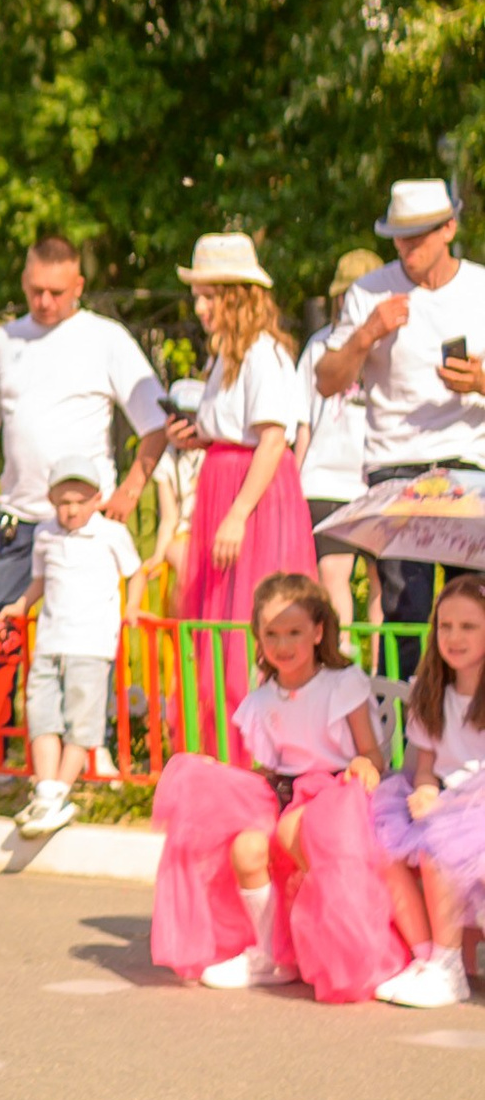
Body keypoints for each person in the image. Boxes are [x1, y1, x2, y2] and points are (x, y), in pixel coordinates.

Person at [149, 572, 398, 1000]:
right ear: (258, 637)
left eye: (295, 632)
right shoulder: (264, 698)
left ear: (319, 631)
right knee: (244, 846)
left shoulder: (343, 683)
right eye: (272, 634)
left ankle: (328, 943)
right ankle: (271, 954)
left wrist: (364, 764)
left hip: (335, 791)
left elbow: (371, 755)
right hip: (283, 791)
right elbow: (273, 767)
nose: (283, 645)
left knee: (296, 833)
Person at [313, 180, 485, 666]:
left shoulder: (479, 288)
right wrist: (367, 334)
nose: (406, 249)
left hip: (468, 462)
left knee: (470, 608)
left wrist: (478, 382)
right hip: (397, 466)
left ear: (449, 228)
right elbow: (327, 381)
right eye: (398, 237)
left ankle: (467, 728)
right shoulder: (370, 291)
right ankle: (406, 729)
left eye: (418, 236)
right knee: (403, 608)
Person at [0, 233, 167, 609]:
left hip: (85, 523)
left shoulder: (106, 338)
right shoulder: (2, 341)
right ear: (24, 282)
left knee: (83, 645)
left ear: (78, 286)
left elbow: (157, 423)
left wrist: (132, 489)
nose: (44, 302)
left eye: (56, 292)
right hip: (19, 523)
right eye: (36, 290)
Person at [168, 232, 316, 737]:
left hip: (253, 499)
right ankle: (221, 744)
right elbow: (231, 428)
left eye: (209, 295)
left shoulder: (263, 353)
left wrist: (238, 513)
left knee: (247, 621)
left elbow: (273, 441)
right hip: (224, 485)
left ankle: (259, 747)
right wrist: (195, 436)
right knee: (220, 622)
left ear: (235, 296)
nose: (201, 306)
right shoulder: (225, 358)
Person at [369, 574, 485, 1009]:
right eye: (445, 626)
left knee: (439, 846)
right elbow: (424, 767)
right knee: (383, 846)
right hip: (448, 799)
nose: (453, 637)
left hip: (477, 807)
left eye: (469, 627)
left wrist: (446, 803)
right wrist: (423, 790)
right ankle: (427, 957)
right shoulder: (431, 693)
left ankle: (450, 965)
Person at [13, 467, 143, 838]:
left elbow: (135, 572)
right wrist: (22, 605)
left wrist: (131, 607)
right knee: (41, 714)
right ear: (51, 501)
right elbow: (40, 579)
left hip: (91, 643)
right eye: (63, 502)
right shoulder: (45, 534)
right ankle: (46, 790)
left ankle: (59, 792)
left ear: (97, 499)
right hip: (50, 641)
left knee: (80, 722)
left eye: (79, 501)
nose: (70, 510)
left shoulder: (111, 534)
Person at [297, 250, 381, 630]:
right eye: (345, 295)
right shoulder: (320, 345)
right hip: (325, 479)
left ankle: (387, 685)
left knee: (388, 584)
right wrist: (295, 481)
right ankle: (343, 662)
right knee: (332, 578)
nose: (350, 303)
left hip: (377, 476)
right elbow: (302, 421)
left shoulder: (395, 345)